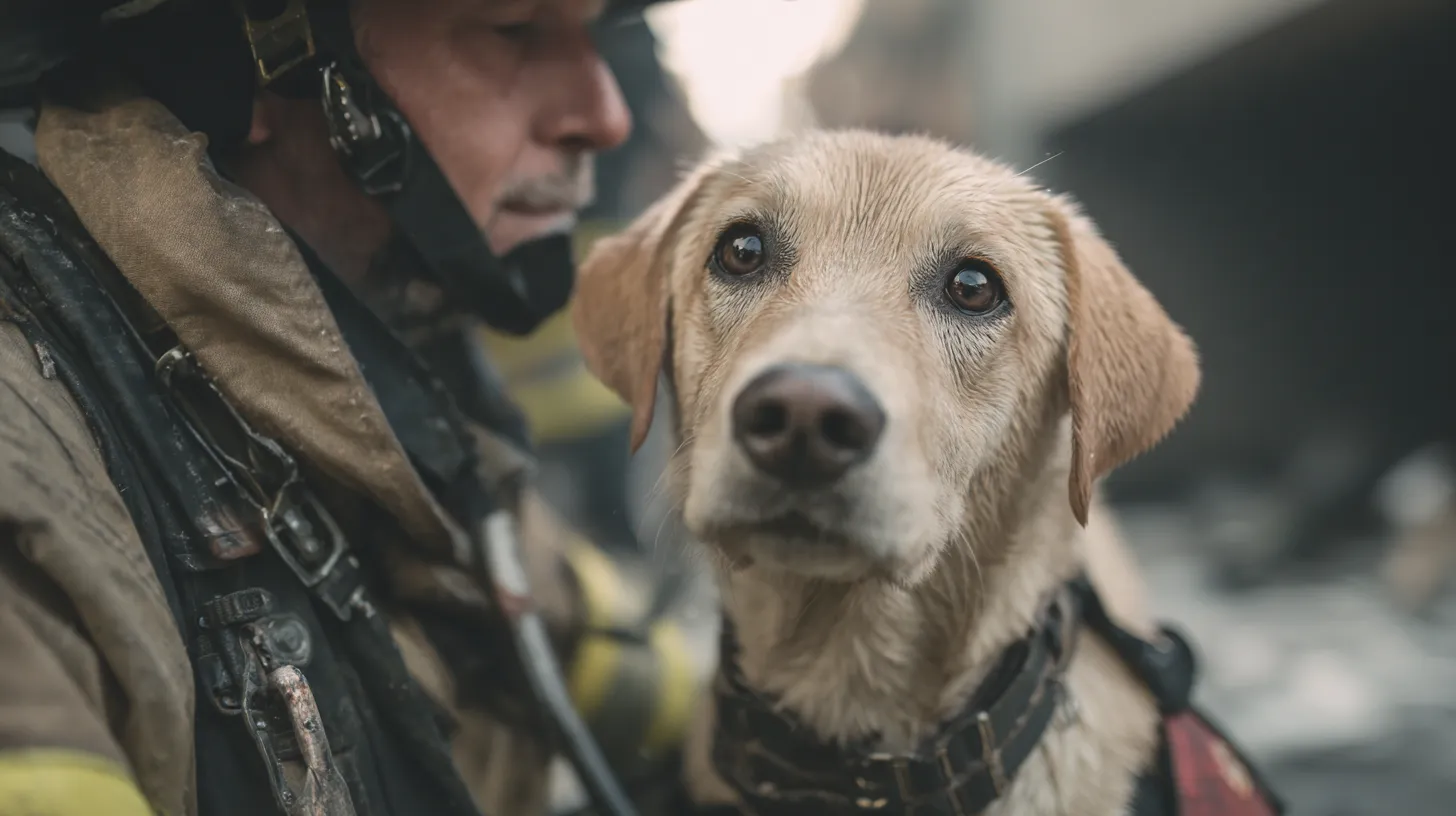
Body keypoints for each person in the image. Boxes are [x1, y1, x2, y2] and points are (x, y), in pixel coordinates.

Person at [0, 1, 703, 815]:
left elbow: (632, 682)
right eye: (512, 31)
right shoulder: (36, 481)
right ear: (249, 64)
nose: (606, 114)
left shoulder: (403, 410)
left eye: (595, 38)